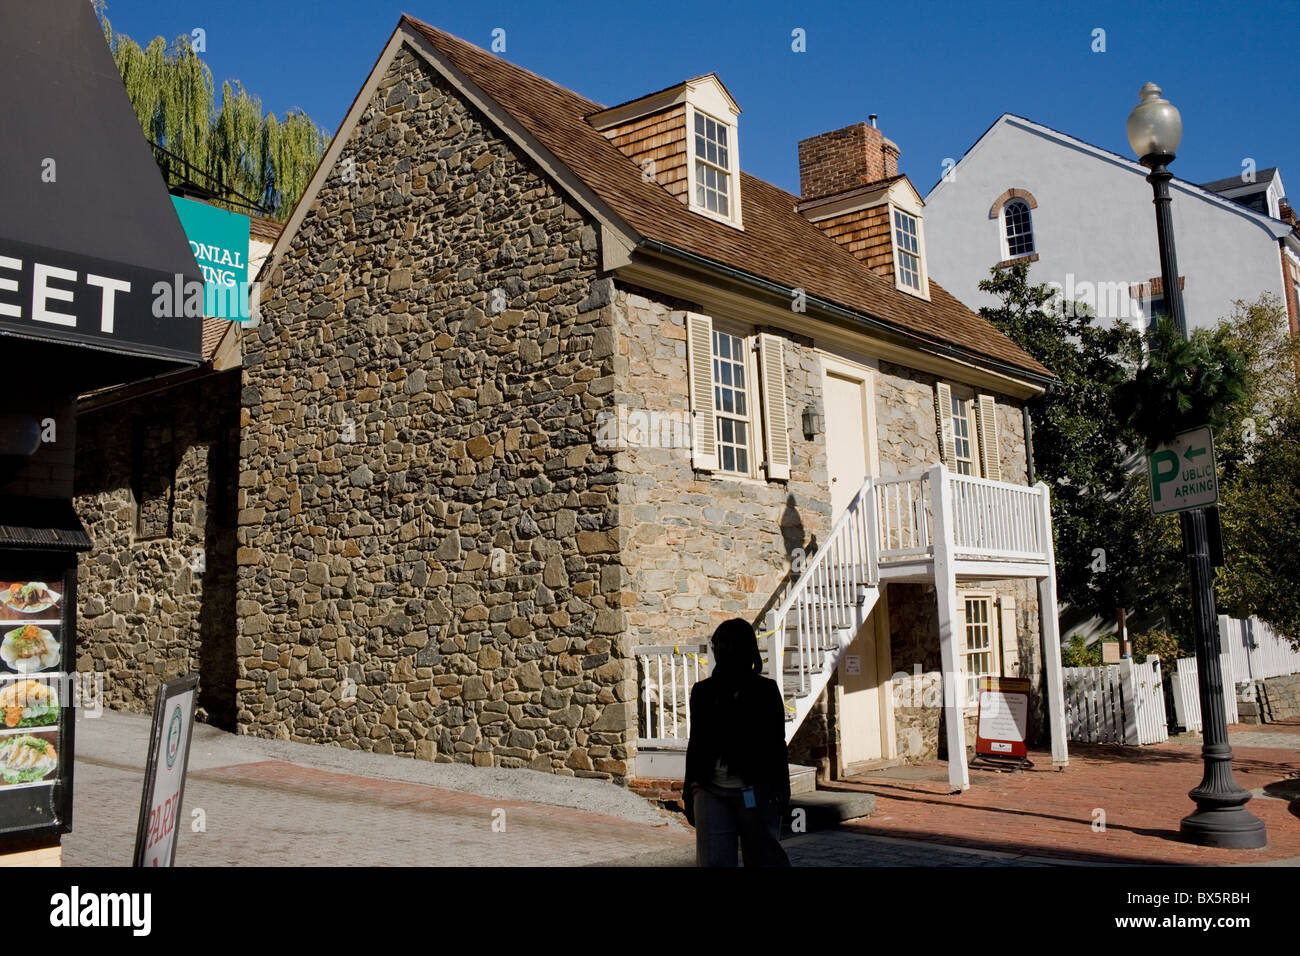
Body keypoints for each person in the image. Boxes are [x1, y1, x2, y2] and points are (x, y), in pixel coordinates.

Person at [682, 618, 791, 867]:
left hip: (754, 788)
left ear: (744, 649)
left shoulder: (765, 691)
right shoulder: (703, 692)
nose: (721, 649)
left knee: (764, 858)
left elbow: (776, 744)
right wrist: (689, 790)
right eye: (717, 643)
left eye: (728, 644)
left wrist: (782, 789)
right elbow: (696, 743)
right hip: (710, 788)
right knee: (714, 862)